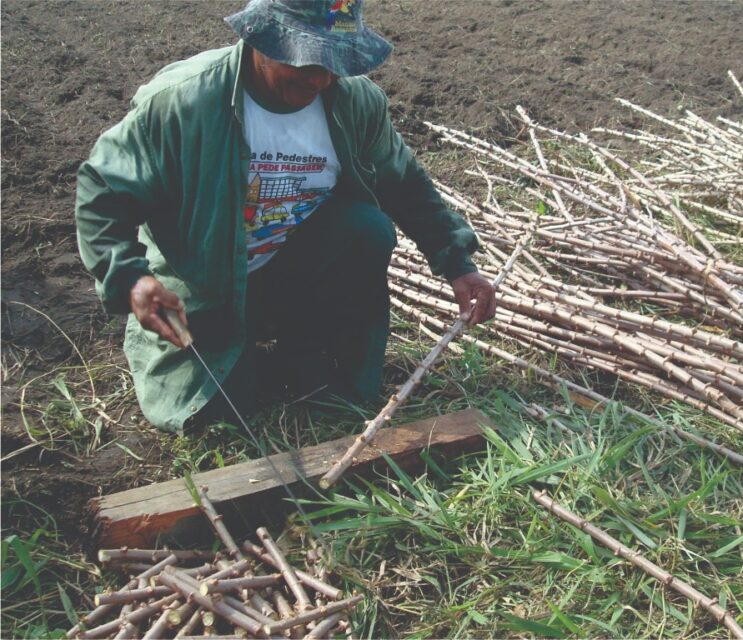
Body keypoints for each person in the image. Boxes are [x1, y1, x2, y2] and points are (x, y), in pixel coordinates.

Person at [75, 0, 496, 433]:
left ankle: (309, 347)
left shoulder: (355, 104)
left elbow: (404, 183)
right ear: (260, 39)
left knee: (366, 230)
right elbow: (104, 189)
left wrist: (459, 265)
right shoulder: (186, 102)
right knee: (221, 414)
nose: (321, 78)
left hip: (293, 276)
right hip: (207, 289)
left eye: (334, 62)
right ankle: (244, 357)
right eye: (307, 60)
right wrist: (130, 278)